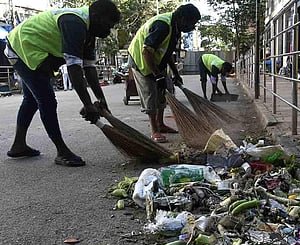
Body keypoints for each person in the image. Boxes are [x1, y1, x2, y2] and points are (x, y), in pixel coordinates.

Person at [4, 0, 121, 166]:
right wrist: (88, 105)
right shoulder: (74, 24)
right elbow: (75, 70)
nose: (109, 31)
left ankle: (18, 145)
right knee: (47, 101)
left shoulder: (89, 32)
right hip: (22, 48)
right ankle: (62, 152)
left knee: (31, 100)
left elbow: (89, 69)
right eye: (108, 25)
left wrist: (101, 100)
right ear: (96, 16)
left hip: (32, 50)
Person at [128, 4, 201, 143]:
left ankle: (161, 124)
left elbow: (167, 53)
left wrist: (175, 74)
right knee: (151, 93)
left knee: (165, 89)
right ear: (183, 18)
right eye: (192, 23)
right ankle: (154, 130)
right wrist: (157, 75)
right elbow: (146, 52)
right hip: (141, 60)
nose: (192, 27)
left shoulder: (176, 29)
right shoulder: (163, 26)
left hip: (155, 60)